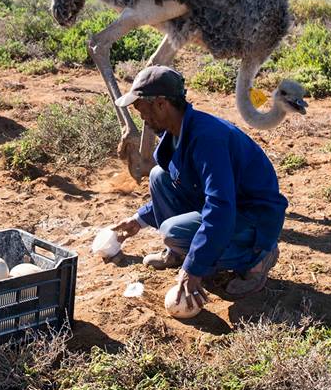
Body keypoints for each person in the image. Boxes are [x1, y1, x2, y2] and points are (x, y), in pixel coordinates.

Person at [110, 66, 296, 313]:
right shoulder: (177, 133)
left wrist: (194, 269)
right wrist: (140, 219)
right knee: (158, 176)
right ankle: (179, 252)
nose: (140, 114)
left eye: (140, 106)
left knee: (172, 231)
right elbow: (187, 185)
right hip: (232, 206)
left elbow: (220, 207)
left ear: (161, 104)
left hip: (254, 217)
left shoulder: (207, 139)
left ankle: (257, 259)